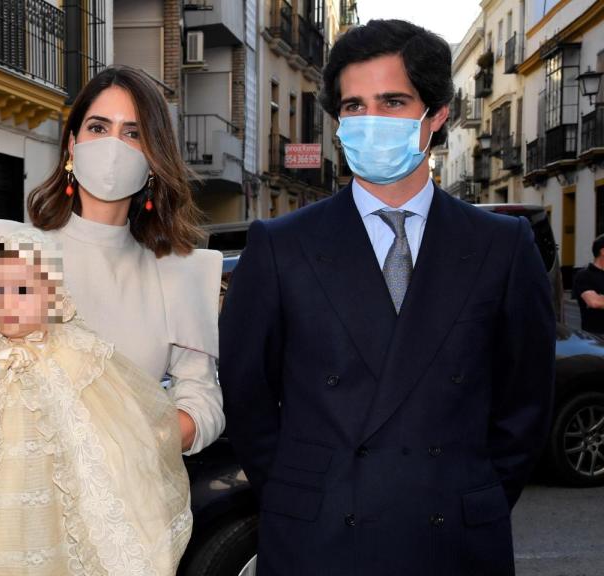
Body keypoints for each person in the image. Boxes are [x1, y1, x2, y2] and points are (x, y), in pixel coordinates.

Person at [220, 19, 555, 576]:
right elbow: (248, 395)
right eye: (354, 106)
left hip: (454, 538)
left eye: (393, 101)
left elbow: (525, 403)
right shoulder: (281, 246)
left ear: (437, 115)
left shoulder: (501, 245)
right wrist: (299, 492)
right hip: (319, 540)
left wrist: (477, 493)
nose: (370, 121)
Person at [0, 228, 192, 575]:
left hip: (55, 494)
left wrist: (133, 449)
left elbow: (115, 407)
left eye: (21, 290)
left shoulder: (75, 349)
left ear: (50, 294)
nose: (7, 302)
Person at [0, 65, 223, 455]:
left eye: (133, 133)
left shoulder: (178, 272)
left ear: (154, 158)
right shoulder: (7, 251)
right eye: (98, 128)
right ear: (71, 145)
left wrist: (146, 444)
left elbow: (203, 401)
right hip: (18, 503)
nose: (112, 145)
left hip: (129, 503)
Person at [572, 235, 604, 334]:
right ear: (603, 251)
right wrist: (599, 299)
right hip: (597, 340)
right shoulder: (585, 275)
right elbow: (594, 302)